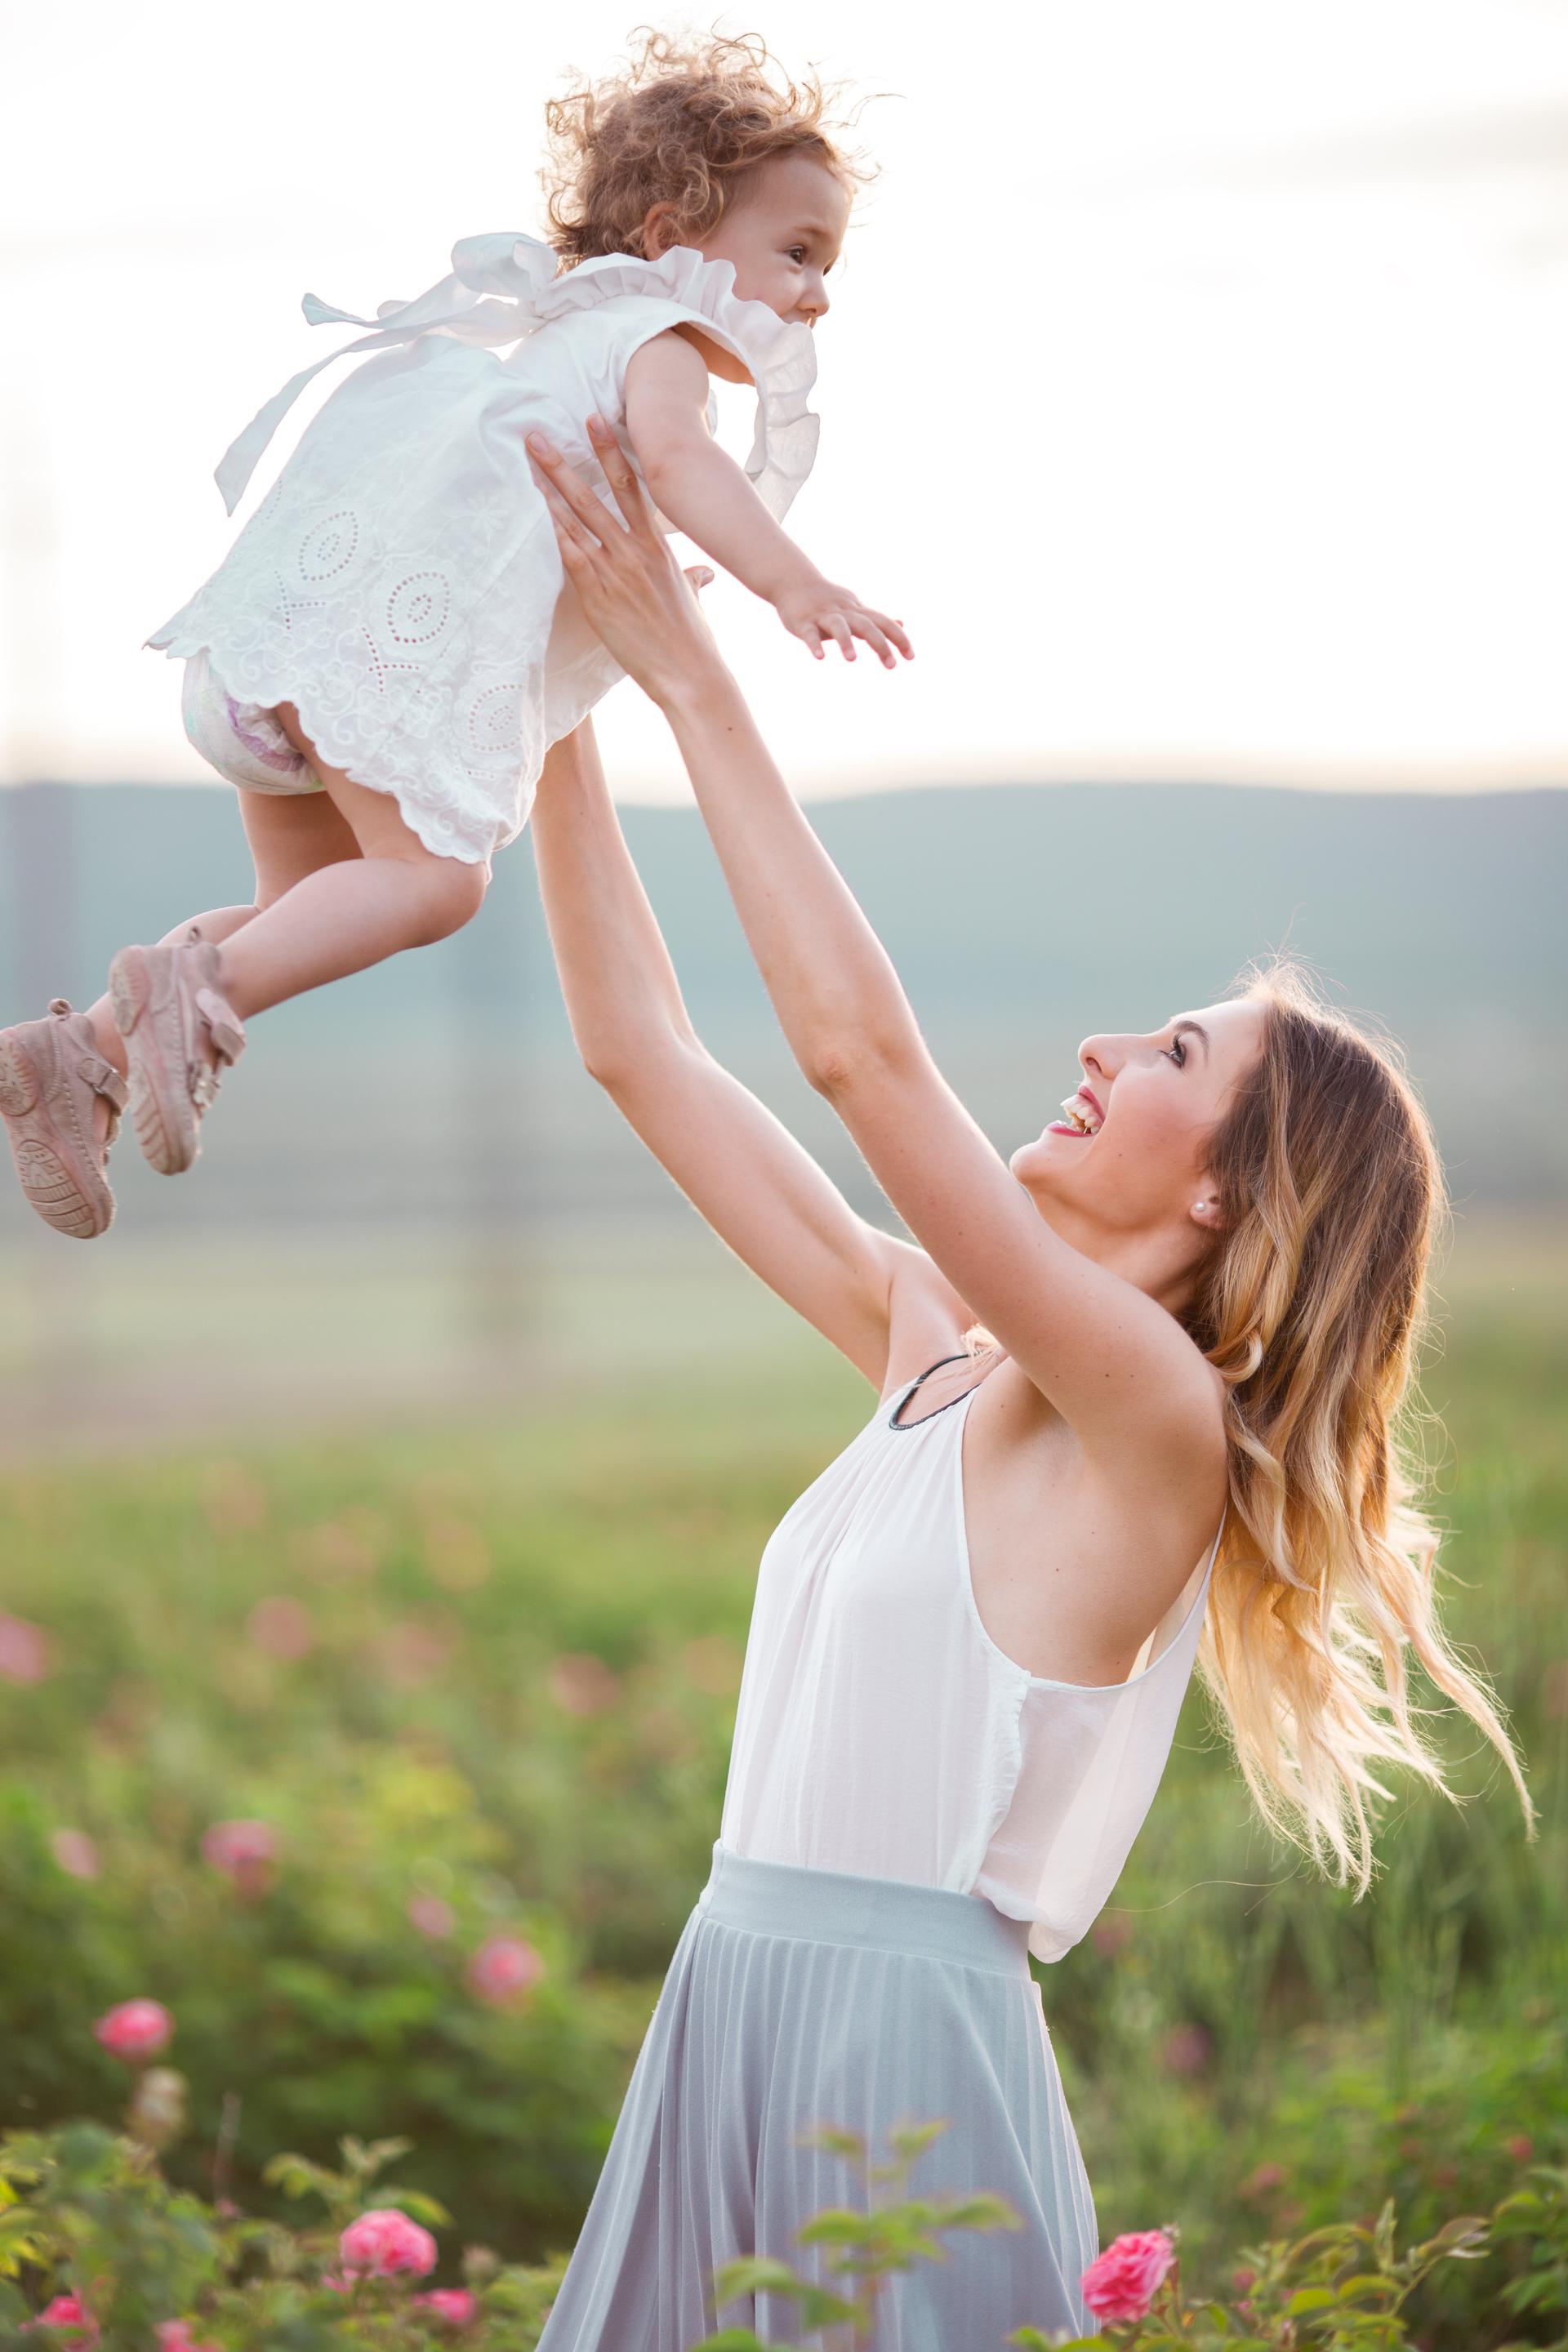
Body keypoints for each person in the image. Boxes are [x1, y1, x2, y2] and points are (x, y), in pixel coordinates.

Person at [518, 421, 1535, 2349]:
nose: (1096, 1047)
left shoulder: (1158, 1426)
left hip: (902, 2061)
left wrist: (688, 667)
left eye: (1166, 1050)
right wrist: (561, 691)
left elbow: (861, 1064)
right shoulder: (934, 1346)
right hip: (726, 1995)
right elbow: (636, 1047)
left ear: (1233, 1187)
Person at [0, 33, 907, 1241]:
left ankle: (77, 1055)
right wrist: (795, 584)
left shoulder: (546, 348)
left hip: (273, 663)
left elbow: (542, 520)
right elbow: (685, 461)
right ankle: (183, 994)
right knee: (435, 885)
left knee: (305, 906)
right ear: (667, 237)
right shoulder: (657, 338)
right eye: (799, 253)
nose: (819, 294)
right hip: (371, 679)